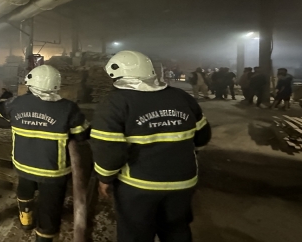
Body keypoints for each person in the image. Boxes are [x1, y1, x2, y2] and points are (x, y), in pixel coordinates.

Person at [90, 51, 212, 242]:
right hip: (183, 181)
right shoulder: (181, 97)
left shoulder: (115, 103)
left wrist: (104, 178)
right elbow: (203, 137)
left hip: (139, 185)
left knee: (135, 233)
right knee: (176, 229)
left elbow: (109, 149)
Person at [0, 65, 90, 242]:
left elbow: (1, 111)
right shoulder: (68, 108)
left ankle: (26, 220)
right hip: (53, 170)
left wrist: (6, 99)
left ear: (30, 83)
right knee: (49, 209)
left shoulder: (16, 103)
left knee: (25, 190)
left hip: (22, 163)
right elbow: (82, 134)